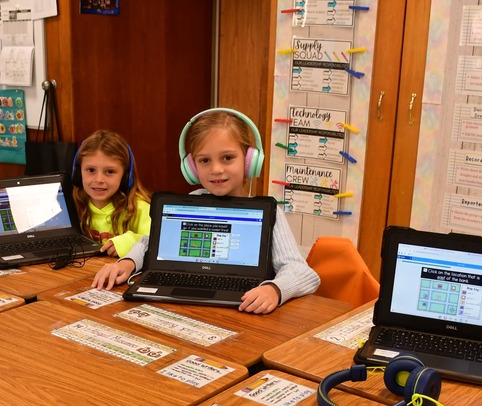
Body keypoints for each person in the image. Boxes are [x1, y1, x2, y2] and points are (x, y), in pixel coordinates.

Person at [92, 108, 320, 313]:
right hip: (183, 313)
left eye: (228, 158)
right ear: (191, 168)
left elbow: (302, 272)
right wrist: (127, 262)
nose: (216, 169)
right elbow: (148, 243)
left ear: (250, 161)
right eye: (204, 161)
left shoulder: (271, 214)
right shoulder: (191, 201)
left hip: (242, 313)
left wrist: (275, 289)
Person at [0, 130, 151, 258]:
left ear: (125, 175)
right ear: (78, 173)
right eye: (90, 170)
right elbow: (30, 228)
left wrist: (129, 241)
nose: (99, 179)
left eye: (110, 172)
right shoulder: (69, 202)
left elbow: (158, 245)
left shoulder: (139, 209)